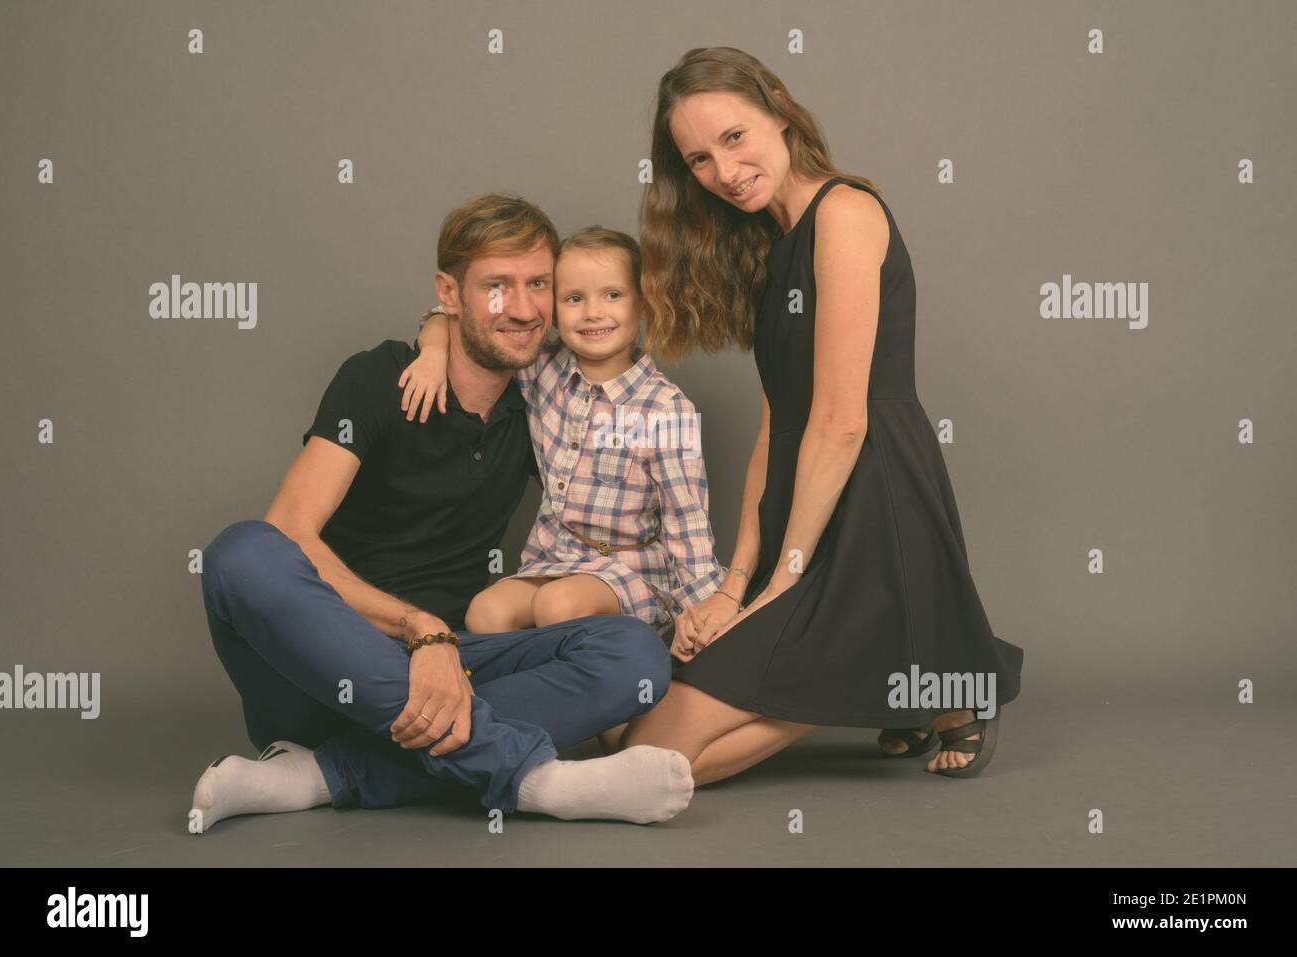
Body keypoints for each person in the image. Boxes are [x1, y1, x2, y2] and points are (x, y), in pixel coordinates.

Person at [188, 193, 694, 833]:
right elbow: (292, 530)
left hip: (457, 670)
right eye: (496, 286)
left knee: (634, 654)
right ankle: (536, 780)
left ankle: (314, 775)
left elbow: (631, 492)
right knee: (243, 551)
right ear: (449, 294)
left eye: (539, 284)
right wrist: (419, 630)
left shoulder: (541, 405)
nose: (523, 307)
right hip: (326, 667)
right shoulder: (380, 377)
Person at [618, 47, 1025, 783]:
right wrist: (735, 582)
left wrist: (783, 584)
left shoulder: (844, 213)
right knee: (635, 738)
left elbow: (840, 419)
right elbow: (779, 424)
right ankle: (914, 676)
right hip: (808, 498)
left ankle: (932, 682)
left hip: (875, 497)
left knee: (654, 758)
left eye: (734, 137)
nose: (723, 171)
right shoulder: (773, 247)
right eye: (699, 159)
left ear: (778, 109)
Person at [400, 227, 729, 638]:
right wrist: (433, 351)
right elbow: (448, 315)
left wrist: (701, 612)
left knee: (558, 606)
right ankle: (525, 695)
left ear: (642, 303)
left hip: (634, 572)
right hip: (555, 559)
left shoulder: (665, 409)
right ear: (552, 311)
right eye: (574, 299)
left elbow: (687, 521)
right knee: (485, 612)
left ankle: (593, 687)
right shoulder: (540, 370)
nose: (593, 312)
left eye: (612, 295)